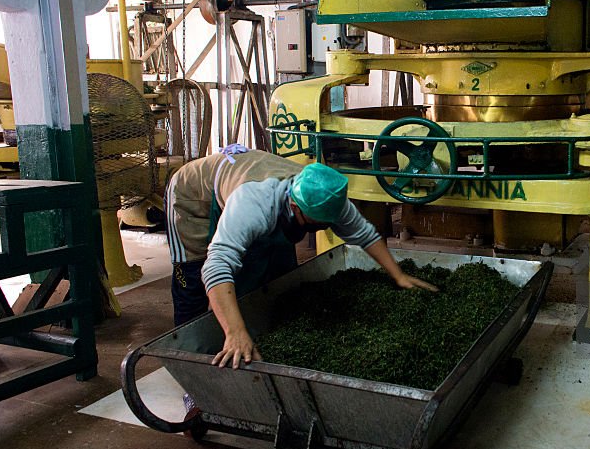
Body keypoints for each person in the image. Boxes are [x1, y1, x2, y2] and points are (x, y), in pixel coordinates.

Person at [165, 146, 437, 370]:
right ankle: (190, 366)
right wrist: (235, 330)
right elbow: (216, 266)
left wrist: (398, 275)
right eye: (316, 223)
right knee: (195, 279)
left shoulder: (326, 194)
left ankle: (249, 333)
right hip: (194, 200)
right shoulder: (254, 203)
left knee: (277, 276)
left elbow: (364, 235)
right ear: (295, 206)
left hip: (252, 182)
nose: (323, 228)